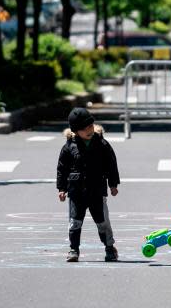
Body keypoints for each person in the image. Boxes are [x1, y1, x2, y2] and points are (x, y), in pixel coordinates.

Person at [56, 107, 120, 263]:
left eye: (90, 126)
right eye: (84, 129)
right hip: (76, 192)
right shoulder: (69, 147)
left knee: (102, 222)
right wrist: (62, 188)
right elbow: (62, 168)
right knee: (75, 222)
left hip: (97, 191)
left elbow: (111, 164)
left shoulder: (102, 144)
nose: (89, 130)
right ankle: (74, 249)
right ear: (76, 131)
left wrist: (113, 184)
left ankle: (109, 248)